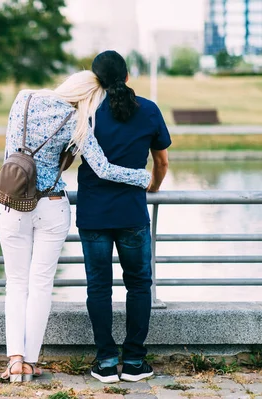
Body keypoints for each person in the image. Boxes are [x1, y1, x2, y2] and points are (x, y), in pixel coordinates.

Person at [0, 70, 152, 382]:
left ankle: (15, 361)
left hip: (12, 202)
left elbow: (9, 151)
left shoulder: (23, 98)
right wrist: (143, 177)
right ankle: (30, 360)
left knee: (15, 283)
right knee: (41, 284)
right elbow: (103, 168)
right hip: (52, 207)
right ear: (90, 100)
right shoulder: (74, 120)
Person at [76, 50, 171, 383]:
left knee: (98, 288)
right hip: (132, 211)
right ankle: (133, 362)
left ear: (95, 79)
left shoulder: (85, 113)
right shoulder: (148, 109)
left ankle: (104, 362)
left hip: (93, 214)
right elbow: (161, 163)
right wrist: (153, 188)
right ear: (128, 76)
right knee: (139, 285)